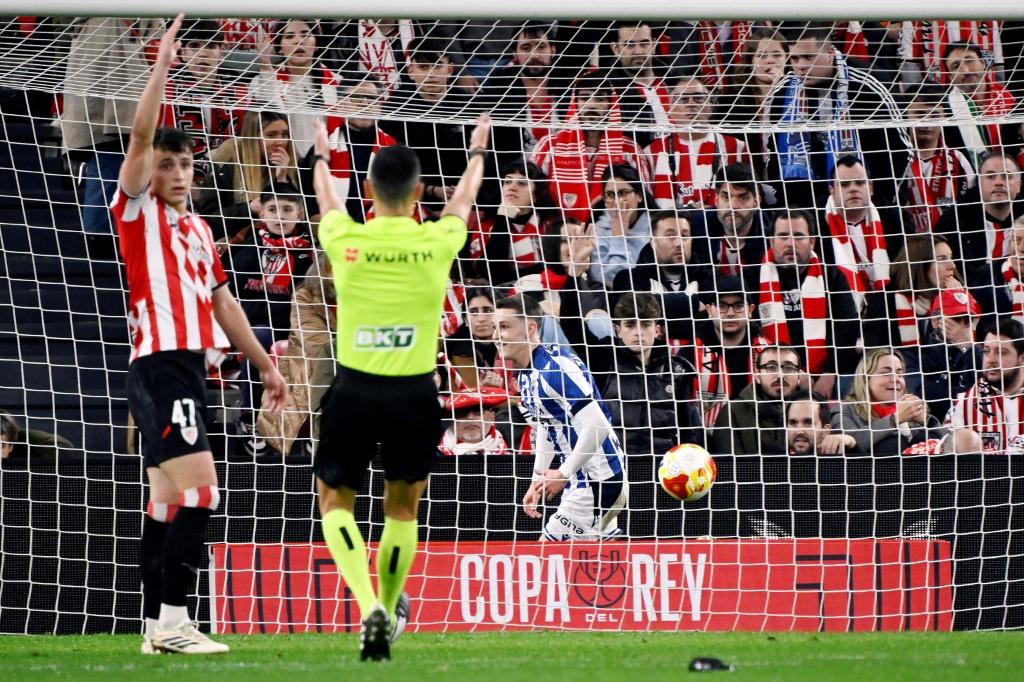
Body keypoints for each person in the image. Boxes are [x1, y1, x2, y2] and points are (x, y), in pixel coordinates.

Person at [112, 16, 286, 655]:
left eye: (186, 163)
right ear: (150, 172)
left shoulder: (200, 230)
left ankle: (154, 628)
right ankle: (176, 622)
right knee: (203, 491)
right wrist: (163, 64)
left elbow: (223, 302)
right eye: (167, 165)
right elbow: (139, 135)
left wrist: (265, 364)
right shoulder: (137, 211)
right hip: (161, 363)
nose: (180, 174)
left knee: (164, 501)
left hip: (185, 366)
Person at [310, 105, 491, 659]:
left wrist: (322, 154)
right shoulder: (435, 242)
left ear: (368, 191)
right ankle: (389, 607)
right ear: (417, 195)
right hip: (414, 393)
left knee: (334, 502)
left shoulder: (346, 238)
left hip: (354, 390)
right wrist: (477, 150)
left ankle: (369, 604)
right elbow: (463, 202)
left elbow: (327, 199)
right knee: (403, 510)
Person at [494, 293, 627, 541]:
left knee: (546, 558)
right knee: (600, 558)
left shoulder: (554, 368)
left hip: (596, 481)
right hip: (587, 478)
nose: (495, 336)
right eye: (495, 327)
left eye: (504, 327)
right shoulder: (527, 373)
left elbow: (598, 424)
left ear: (530, 329)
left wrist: (563, 473)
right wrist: (537, 479)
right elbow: (548, 426)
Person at [763, 22, 912, 209]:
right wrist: (788, 203)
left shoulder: (869, 85)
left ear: (830, 53)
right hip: (805, 205)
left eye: (808, 57)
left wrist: (880, 202)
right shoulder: (783, 91)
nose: (800, 66)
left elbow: (900, 150)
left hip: (867, 203)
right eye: (794, 58)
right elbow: (773, 151)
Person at [222, 182, 315, 455]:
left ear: (299, 215)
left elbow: (313, 301)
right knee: (259, 337)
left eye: (287, 209)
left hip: (297, 330)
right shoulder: (246, 247)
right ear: (261, 213)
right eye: (273, 209)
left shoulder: (311, 254)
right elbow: (228, 296)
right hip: (256, 330)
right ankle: (251, 417)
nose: (280, 216)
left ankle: (314, 423)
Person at [757, 209, 861, 398]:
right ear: (771, 241)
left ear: (812, 241)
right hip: (772, 371)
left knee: (846, 386)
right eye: (783, 236)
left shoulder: (833, 277)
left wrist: (830, 372)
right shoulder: (753, 277)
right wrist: (790, 372)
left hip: (824, 373)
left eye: (799, 236)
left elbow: (845, 329)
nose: (790, 243)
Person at [588, 293, 703, 456]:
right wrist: (572, 280)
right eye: (630, 325)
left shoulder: (676, 371)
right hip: (611, 463)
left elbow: (687, 430)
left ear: (657, 330)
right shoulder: (604, 361)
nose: (638, 332)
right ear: (618, 331)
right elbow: (571, 326)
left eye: (646, 325)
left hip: (661, 465)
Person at [530, 70, 648, 222]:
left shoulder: (630, 150)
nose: (591, 105)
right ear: (575, 102)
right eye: (585, 98)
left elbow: (644, 202)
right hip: (557, 232)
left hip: (613, 231)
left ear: (611, 104)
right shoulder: (549, 145)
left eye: (600, 99)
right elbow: (530, 195)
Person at [257, 254, 337, 457]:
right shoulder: (305, 296)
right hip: (309, 370)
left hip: (354, 364)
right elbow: (318, 346)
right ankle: (322, 438)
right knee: (332, 374)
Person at [677, 275, 771, 429]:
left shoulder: (768, 352)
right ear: (709, 310)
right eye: (722, 305)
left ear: (750, 310)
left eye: (738, 305)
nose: (730, 313)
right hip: (704, 439)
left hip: (758, 437)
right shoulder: (690, 353)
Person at [821, 155, 911, 311]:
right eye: (844, 184)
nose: (853, 189)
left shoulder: (896, 220)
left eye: (860, 182)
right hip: (839, 309)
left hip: (889, 306)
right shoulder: (817, 225)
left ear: (871, 188)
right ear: (832, 192)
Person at [645, 76, 749, 209]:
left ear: (710, 107)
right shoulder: (651, 153)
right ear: (670, 110)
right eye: (683, 99)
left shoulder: (736, 147)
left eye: (698, 98)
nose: (691, 104)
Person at [610, 209, 711, 345]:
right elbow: (633, 311)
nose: (679, 243)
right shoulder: (629, 278)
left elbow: (714, 325)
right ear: (653, 242)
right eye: (670, 236)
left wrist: (662, 325)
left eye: (684, 236)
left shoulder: (709, 278)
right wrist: (694, 303)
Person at [198, 110, 299, 242]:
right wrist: (249, 209)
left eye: (284, 134)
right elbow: (208, 220)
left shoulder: (295, 164)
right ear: (253, 137)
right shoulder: (224, 164)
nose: (280, 142)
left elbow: (300, 217)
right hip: (236, 244)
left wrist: (282, 178)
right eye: (271, 135)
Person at [312, 75, 399, 223]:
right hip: (337, 234)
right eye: (356, 97)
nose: (364, 103)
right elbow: (312, 214)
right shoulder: (321, 151)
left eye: (371, 98)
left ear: (380, 106)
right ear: (340, 104)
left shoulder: (396, 152)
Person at [251, 19, 334, 157]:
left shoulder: (338, 84)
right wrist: (266, 68)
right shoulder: (261, 81)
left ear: (317, 44)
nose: (298, 41)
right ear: (279, 47)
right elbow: (267, 119)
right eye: (289, 36)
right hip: (280, 163)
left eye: (305, 35)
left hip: (327, 164)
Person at [901, 82, 977, 233]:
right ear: (905, 115)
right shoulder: (895, 160)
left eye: (934, 115)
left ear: (945, 117)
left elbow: (971, 209)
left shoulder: (959, 161)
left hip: (950, 241)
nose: (927, 122)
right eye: (919, 114)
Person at [934, 151, 1023, 279]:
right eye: (990, 177)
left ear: (1019, 185)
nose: (999, 182)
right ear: (980, 183)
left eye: (1006, 176)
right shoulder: (953, 221)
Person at [464, 160, 554, 286]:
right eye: (507, 182)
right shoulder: (486, 226)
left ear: (536, 195)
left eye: (522, 183)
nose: (512, 187)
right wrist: (503, 219)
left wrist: (505, 278)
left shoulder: (551, 225)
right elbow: (490, 273)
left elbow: (558, 268)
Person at [830, 348, 931, 457]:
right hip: (871, 467)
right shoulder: (844, 410)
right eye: (886, 373)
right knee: (893, 443)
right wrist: (893, 420)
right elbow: (849, 443)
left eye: (900, 374)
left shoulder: (911, 410)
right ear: (865, 379)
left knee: (925, 438)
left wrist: (926, 420)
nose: (896, 379)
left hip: (916, 467)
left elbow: (943, 443)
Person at [945, 319, 1024, 454]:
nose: (990, 360)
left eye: (1001, 352)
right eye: (986, 351)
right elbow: (948, 456)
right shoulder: (963, 403)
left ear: (1022, 358)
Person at [710, 345, 803, 456]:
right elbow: (732, 465)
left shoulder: (814, 410)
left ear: (799, 376)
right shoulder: (732, 413)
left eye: (788, 368)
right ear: (757, 375)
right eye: (771, 367)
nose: (780, 375)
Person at [694, 163, 772, 285]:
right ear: (716, 200)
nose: (733, 206)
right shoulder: (696, 226)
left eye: (743, 198)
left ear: (757, 202)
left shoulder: (772, 231)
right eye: (726, 197)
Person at [917, 289, 984, 422]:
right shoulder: (915, 355)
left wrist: (967, 346)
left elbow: (995, 383)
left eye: (967, 320)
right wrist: (972, 394)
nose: (962, 326)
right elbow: (924, 395)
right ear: (935, 322)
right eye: (956, 319)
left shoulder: (977, 353)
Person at [605, 21, 672, 147]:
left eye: (644, 44)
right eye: (629, 45)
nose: (638, 51)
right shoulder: (608, 91)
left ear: (654, 45)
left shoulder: (676, 83)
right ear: (615, 49)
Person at [943, 41, 1015, 157]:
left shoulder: (1010, 99)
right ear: (950, 77)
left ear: (982, 63)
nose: (966, 70)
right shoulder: (946, 110)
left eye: (969, 61)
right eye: (956, 66)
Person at [590, 165, 655, 287]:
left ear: (639, 196)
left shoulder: (657, 227)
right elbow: (610, 281)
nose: (617, 202)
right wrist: (618, 238)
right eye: (610, 195)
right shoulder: (597, 231)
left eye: (623, 193)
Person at [438, 388, 511, 456]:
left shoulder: (512, 460)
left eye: (478, 410)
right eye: (461, 412)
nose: (470, 417)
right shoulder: (434, 459)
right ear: (451, 421)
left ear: (492, 417)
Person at [785, 392, 857, 456]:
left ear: (826, 431)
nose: (799, 431)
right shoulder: (778, 457)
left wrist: (853, 446)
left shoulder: (838, 460)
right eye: (793, 423)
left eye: (808, 423)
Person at [0, 410, 74, 458]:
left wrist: (35, 467)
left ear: (11, 447)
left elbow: (63, 445)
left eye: (1, 445)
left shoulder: (21, 439)